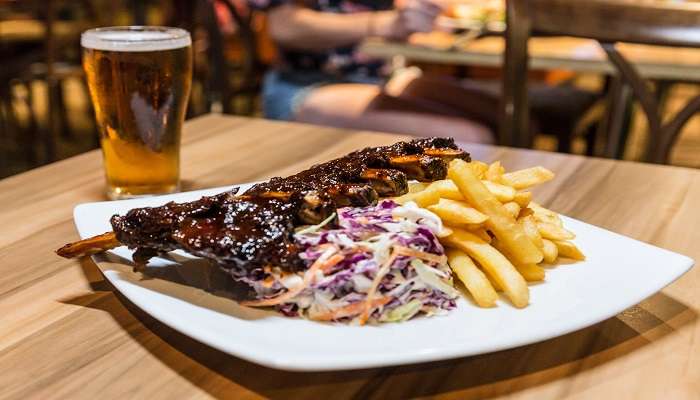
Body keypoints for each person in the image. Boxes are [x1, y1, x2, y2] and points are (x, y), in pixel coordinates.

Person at [248, 0, 495, 144]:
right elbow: (284, 27)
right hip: (303, 84)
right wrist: (384, 23)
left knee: (501, 114)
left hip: (381, 78)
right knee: (470, 138)